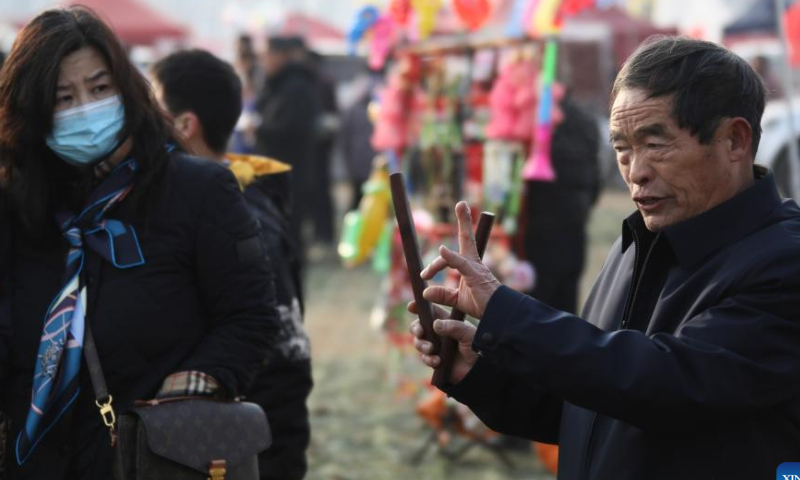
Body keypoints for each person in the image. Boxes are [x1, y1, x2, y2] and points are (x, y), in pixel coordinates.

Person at [409, 36, 800, 479]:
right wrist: (477, 375)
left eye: (656, 144)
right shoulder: (636, 242)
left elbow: (667, 386)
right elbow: (593, 405)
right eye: (622, 148)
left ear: (735, 140)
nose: (636, 171)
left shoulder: (784, 261)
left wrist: (507, 313)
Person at [0, 8, 278, 480]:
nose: (84, 108)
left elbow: (249, 318)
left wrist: (190, 390)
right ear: (34, 110)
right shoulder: (14, 208)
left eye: (99, 88)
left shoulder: (196, 190)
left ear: (126, 88)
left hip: (153, 459)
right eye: (62, 97)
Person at [151, 49, 313, 480]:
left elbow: (284, 363)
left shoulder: (245, 220)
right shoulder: (185, 206)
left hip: (243, 451)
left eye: (151, 108)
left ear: (185, 126)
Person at [522, 91, 600, 314]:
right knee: (566, 308)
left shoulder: (539, 119)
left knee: (537, 311)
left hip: (541, 232)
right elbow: (595, 182)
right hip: (575, 228)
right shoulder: (585, 120)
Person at [253, 35, 322, 274]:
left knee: (290, 230)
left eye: (267, 55)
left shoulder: (296, 86)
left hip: (292, 171)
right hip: (277, 170)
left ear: (280, 56)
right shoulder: (278, 84)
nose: (263, 61)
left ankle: (291, 278)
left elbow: (293, 129)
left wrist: (259, 129)